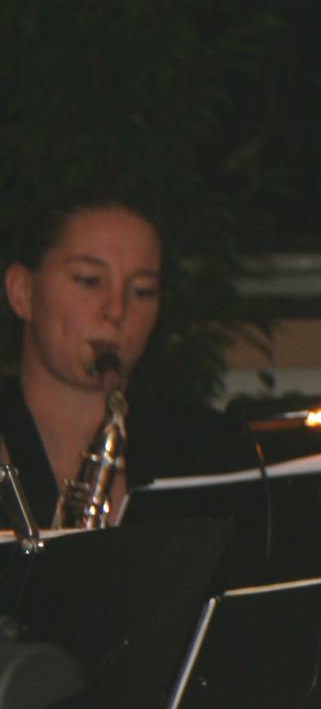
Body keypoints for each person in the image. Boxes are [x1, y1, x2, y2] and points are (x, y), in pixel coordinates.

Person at [3, 195, 240, 528]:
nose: (116, 310)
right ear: (22, 292)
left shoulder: (209, 449)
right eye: (89, 280)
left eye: (143, 291)